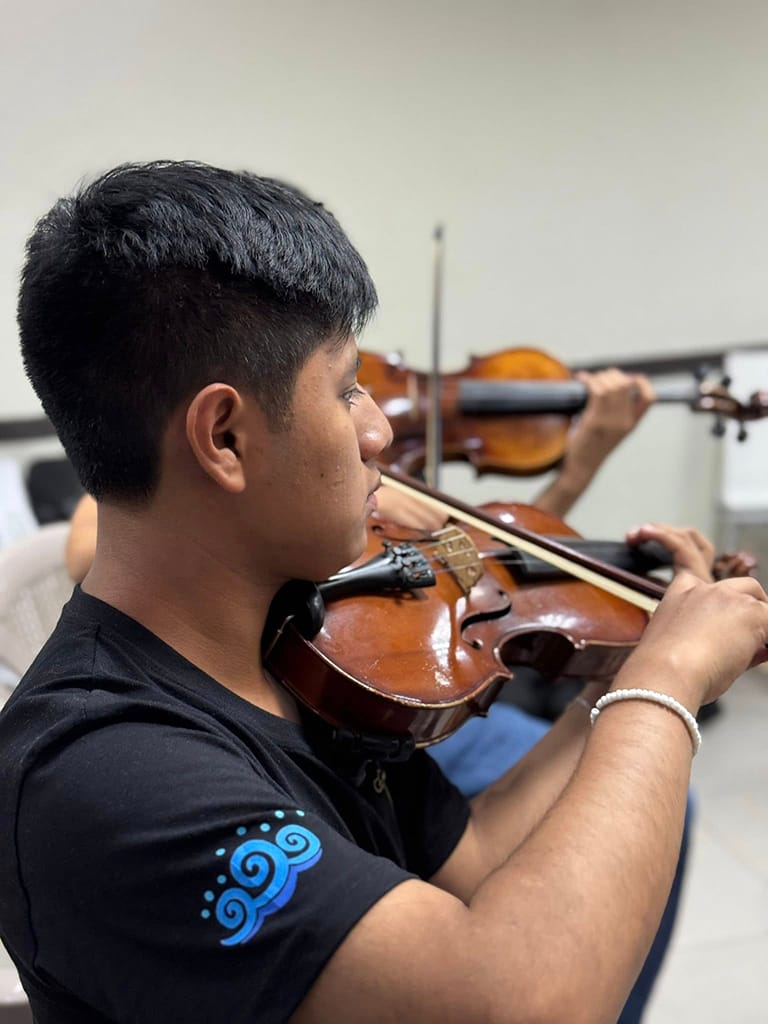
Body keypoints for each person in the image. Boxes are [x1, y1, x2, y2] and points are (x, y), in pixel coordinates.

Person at [1, 161, 766, 1024]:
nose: (377, 432)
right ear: (225, 438)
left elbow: (475, 859)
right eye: (345, 389)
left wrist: (614, 680)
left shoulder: (297, 649)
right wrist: (663, 687)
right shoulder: (104, 775)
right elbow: (516, 1006)